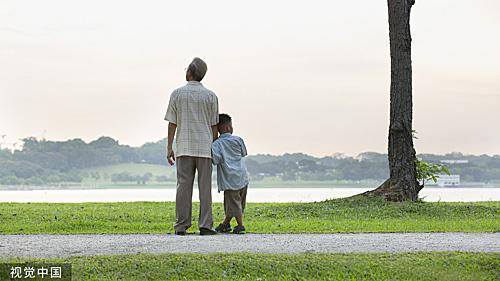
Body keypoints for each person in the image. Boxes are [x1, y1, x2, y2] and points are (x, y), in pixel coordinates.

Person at [164, 57, 219, 236]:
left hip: (184, 146)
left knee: (183, 186)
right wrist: (215, 146)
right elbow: (214, 126)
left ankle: (181, 225)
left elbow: (172, 123)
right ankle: (205, 225)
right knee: (205, 188)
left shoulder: (177, 94)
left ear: (189, 72)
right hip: (205, 147)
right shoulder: (211, 96)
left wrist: (169, 147)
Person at [212, 114, 249, 234]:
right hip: (242, 176)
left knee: (232, 203)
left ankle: (233, 225)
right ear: (228, 127)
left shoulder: (216, 144)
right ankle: (235, 225)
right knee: (238, 203)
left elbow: (215, 160)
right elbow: (244, 153)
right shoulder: (238, 140)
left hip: (229, 178)